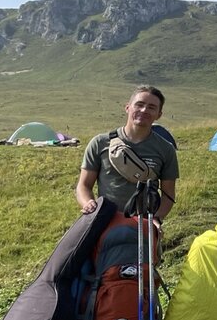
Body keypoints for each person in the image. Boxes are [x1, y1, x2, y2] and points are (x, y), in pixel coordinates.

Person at [76, 86, 178, 224]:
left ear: (159, 114)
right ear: (128, 107)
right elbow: (84, 185)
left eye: (151, 107)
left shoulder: (166, 149)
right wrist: (88, 203)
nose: (144, 110)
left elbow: (168, 194)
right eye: (139, 105)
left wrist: (156, 218)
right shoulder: (99, 143)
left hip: (143, 222)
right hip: (105, 219)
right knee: (69, 246)